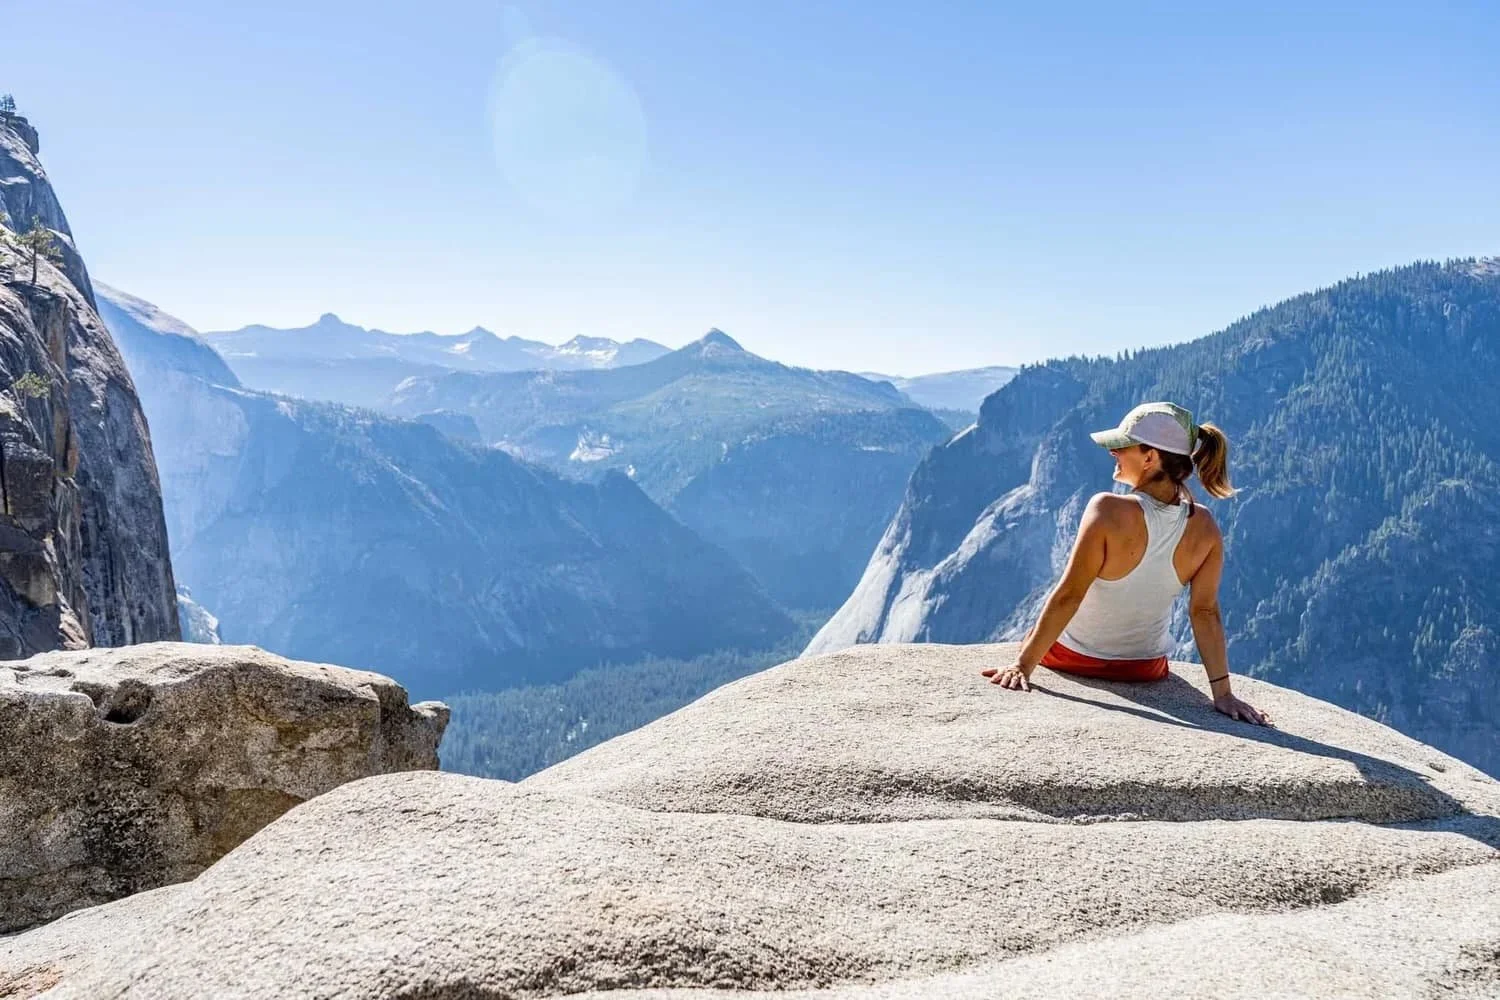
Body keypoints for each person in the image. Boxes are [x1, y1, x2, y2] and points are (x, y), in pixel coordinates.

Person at [980, 402, 1270, 725]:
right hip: (1144, 669)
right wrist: (1223, 695)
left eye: (1121, 445)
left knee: (1037, 627)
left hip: (1070, 659)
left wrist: (1022, 666)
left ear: (1150, 457)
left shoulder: (1105, 510)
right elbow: (1204, 612)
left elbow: (1069, 595)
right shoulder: (1206, 528)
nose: (1112, 452)